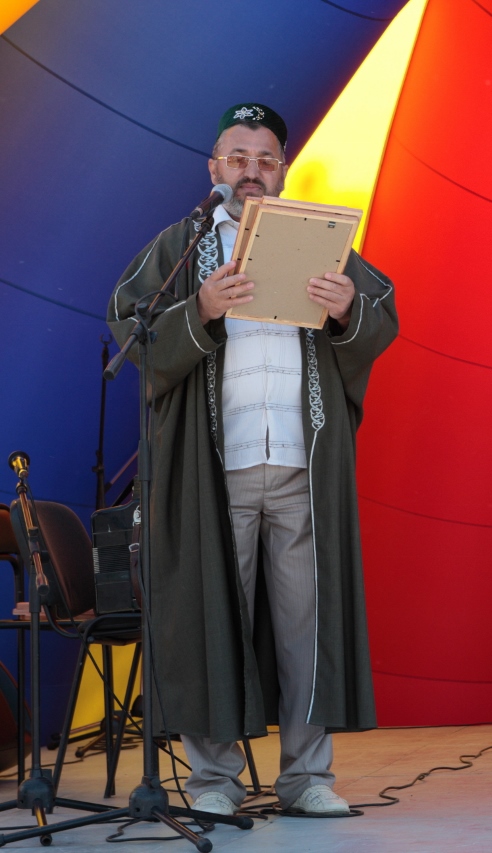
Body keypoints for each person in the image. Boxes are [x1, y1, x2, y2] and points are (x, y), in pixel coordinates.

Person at [107, 103, 397, 816]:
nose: (251, 171)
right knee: (211, 622)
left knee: (308, 630)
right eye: (238, 158)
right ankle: (213, 783)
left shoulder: (316, 239)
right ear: (214, 167)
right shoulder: (182, 246)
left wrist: (346, 307)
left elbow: (381, 314)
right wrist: (200, 309)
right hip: (215, 471)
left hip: (302, 466)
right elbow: (130, 329)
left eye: (266, 159)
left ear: (283, 170)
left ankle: (306, 779)